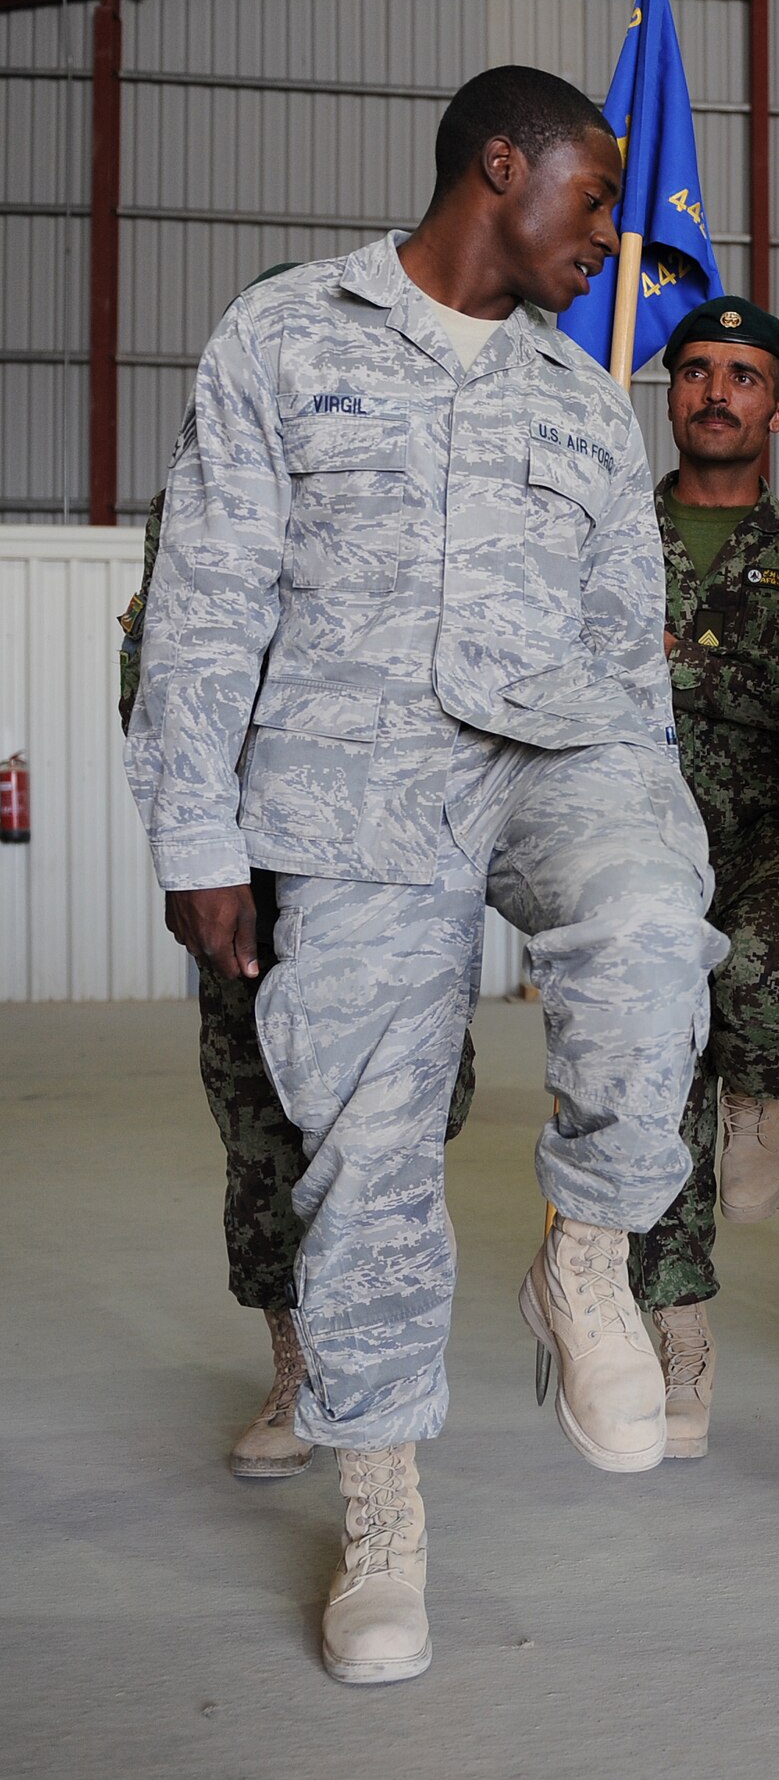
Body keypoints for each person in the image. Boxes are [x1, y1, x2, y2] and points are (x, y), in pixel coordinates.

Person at [126, 65, 726, 1685]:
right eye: (592, 201)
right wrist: (199, 836)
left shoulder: (584, 409)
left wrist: (628, 825)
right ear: (500, 168)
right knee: (368, 1145)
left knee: (661, 915)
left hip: (557, 753)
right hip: (353, 788)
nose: (611, 236)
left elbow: (628, 664)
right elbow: (203, 601)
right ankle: (381, 1500)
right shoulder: (287, 338)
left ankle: (587, 1251)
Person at [123, 452, 478, 1483]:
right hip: (248, 861)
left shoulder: (421, 477)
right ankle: (296, 1366)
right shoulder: (197, 497)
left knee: (403, 1116)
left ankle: (383, 1363)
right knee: (257, 1114)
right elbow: (160, 674)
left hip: (387, 845)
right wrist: (192, 847)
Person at [624, 294, 779, 1456]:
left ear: (778, 402)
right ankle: (679, 1336)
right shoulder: (607, 533)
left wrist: (685, 668)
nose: (716, 391)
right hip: (631, 840)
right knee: (648, 1082)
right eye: (696, 371)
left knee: (768, 993)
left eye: (742, 374)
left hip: (771, 835)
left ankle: (758, 1082)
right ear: (668, 392)